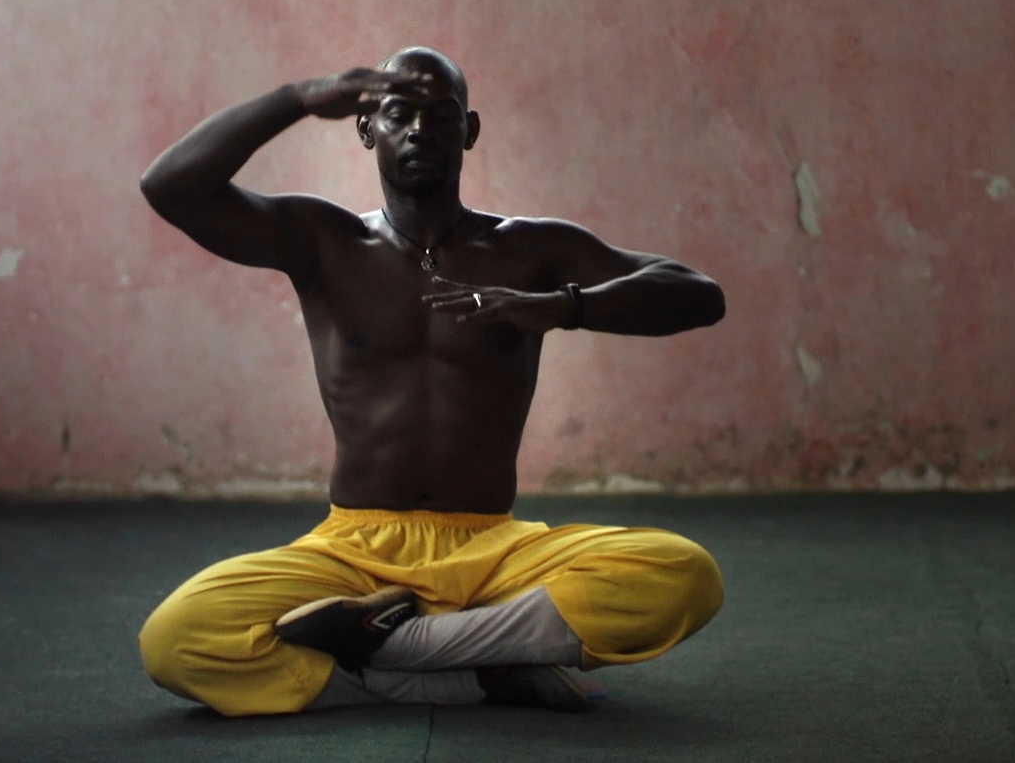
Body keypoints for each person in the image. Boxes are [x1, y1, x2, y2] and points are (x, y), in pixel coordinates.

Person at [136, 47, 727, 716]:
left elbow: (698, 293)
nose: (420, 129)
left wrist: (562, 306)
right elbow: (171, 187)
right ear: (366, 130)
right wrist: (298, 97)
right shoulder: (323, 240)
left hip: (496, 552)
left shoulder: (528, 249)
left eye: (441, 116)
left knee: (684, 575)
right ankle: (477, 667)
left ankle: (389, 652)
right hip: (353, 554)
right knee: (176, 638)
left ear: (468, 132)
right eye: (398, 114)